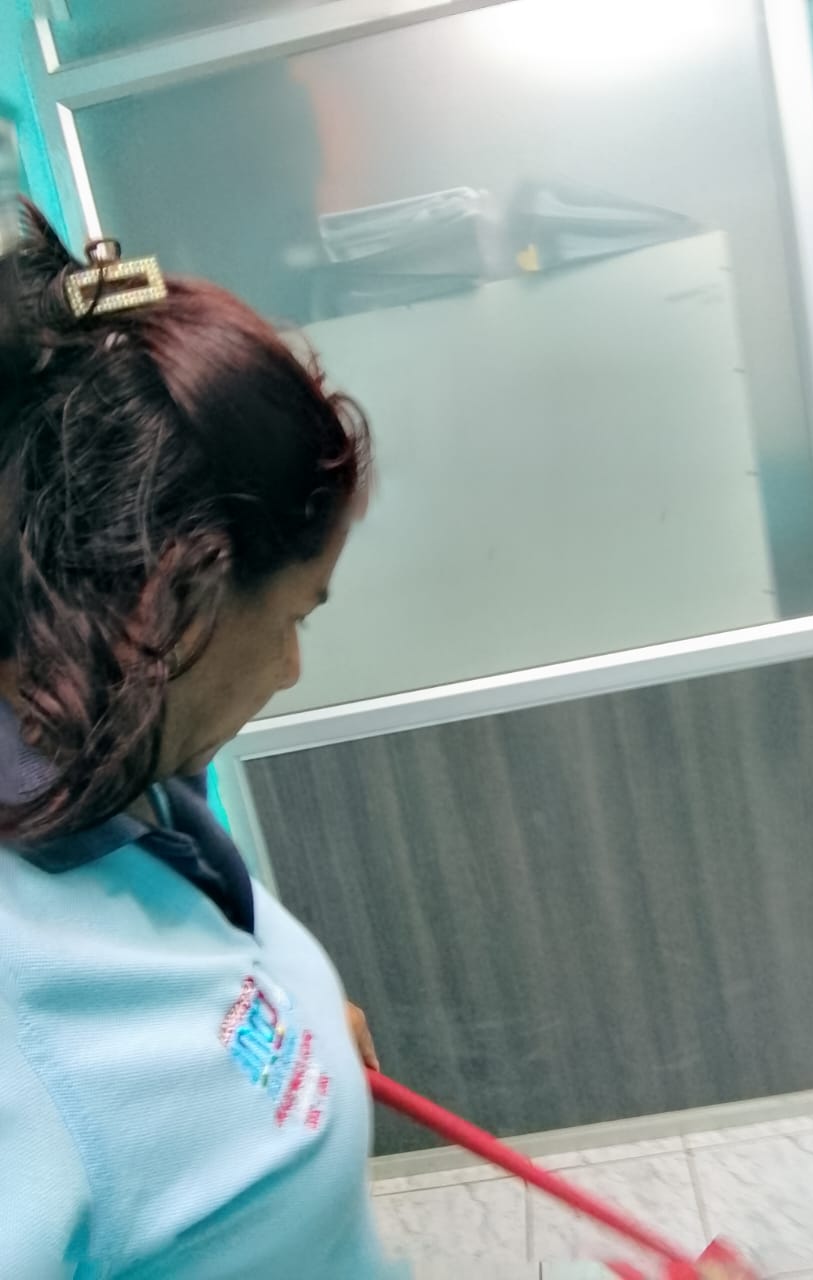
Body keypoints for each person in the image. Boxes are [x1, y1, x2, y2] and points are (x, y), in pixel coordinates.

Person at [0, 203, 406, 1278]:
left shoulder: (106, 754)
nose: (291, 666)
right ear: (168, 604)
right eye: (294, 614)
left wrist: (293, 1012)